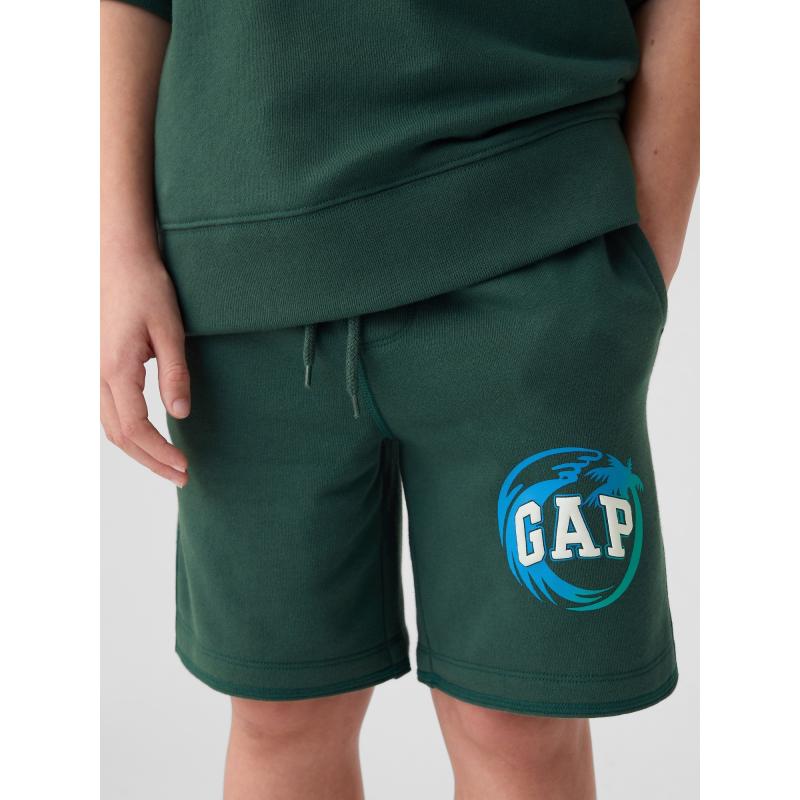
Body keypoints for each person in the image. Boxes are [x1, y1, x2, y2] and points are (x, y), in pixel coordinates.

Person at [100, 0, 698, 796]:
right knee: (282, 712)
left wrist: (642, 257)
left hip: (531, 233)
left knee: (519, 724)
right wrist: (119, 249)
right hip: (245, 281)